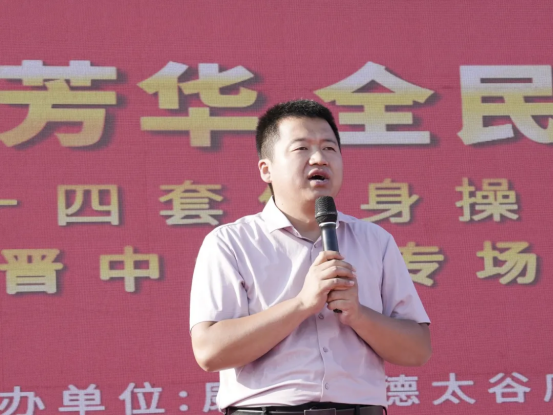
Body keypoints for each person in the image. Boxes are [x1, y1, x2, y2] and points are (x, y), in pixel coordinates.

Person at [190, 100, 431, 415]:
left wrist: (358, 314)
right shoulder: (231, 242)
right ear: (266, 169)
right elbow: (210, 352)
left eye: (329, 148)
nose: (319, 158)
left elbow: (417, 350)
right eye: (302, 148)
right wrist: (302, 304)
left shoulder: (375, 241)